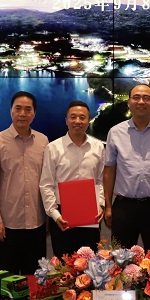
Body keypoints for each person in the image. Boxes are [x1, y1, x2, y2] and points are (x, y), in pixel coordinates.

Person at [104, 84, 150, 255]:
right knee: (121, 262)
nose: (141, 102)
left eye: (146, 98)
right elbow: (109, 170)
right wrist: (108, 205)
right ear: (129, 102)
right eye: (136, 97)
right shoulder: (115, 132)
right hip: (123, 206)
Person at [0, 91, 48, 276]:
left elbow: (47, 182)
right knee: (7, 279)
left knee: (36, 278)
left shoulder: (43, 141)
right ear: (10, 111)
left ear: (34, 113)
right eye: (18, 109)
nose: (22, 114)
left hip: (37, 223)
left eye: (28, 109)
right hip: (7, 225)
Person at [40, 100, 105, 257]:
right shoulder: (53, 148)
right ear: (66, 120)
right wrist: (55, 215)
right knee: (64, 265)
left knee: (90, 263)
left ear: (88, 120)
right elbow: (46, 184)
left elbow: (100, 180)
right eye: (73, 117)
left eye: (82, 117)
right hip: (62, 215)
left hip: (90, 212)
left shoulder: (98, 147)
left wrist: (100, 204)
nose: (77, 121)